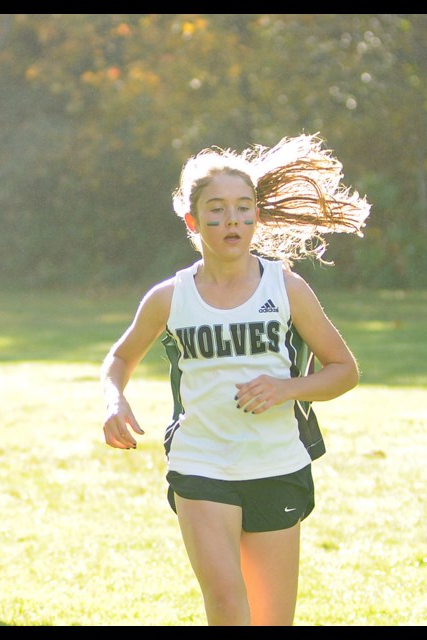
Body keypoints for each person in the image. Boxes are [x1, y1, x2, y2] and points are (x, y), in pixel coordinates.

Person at [99, 133, 370, 625]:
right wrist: (114, 400)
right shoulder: (169, 296)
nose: (233, 221)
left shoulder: (286, 287)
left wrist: (285, 388)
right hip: (201, 463)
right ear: (192, 220)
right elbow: (118, 359)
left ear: (257, 217)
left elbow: (344, 370)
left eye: (244, 208)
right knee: (226, 605)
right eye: (218, 209)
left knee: (271, 620)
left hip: (276, 464)